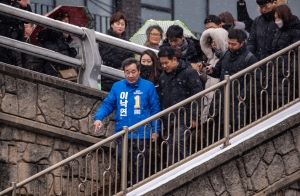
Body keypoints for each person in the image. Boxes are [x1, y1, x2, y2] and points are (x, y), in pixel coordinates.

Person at [94, 58, 160, 186]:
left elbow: (155, 110)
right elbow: (108, 104)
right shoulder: (117, 86)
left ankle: (138, 187)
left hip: (142, 133)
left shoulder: (148, 86)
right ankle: (127, 182)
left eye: (133, 72)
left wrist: (155, 130)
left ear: (139, 71)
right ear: (123, 72)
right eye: (127, 72)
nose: (130, 75)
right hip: (122, 132)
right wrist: (98, 118)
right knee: (119, 158)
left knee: (140, 164)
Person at [157, 46, 203, 167]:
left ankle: (184, 169)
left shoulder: (189, 73)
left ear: (174, 60)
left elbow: (197, 95)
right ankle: (175, 170)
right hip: (169, 120)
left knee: (178, 143)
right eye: (162, 64)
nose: (164, 66)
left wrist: (194, 116)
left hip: (184, 117)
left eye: (166, 63)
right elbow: (162, 98)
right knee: (170, 147)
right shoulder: (162, 77)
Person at [206, 29, 258, 136]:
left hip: (236, 101)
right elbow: (218, 71)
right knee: (216, 130)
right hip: (221, 99)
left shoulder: (250, 58)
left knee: (235, 131)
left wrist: (243, 94)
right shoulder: (226, 54)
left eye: (233, 44)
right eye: (229, 43)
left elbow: (254, 81)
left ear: (242, 43)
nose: (230, 46)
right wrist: (210, 70)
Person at [269, 4, 300, 106]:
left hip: (286, 71)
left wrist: (289, 69)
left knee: (284, 98)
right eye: (275, 18)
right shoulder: (279, 31)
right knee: (275, 99)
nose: (276, 21)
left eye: (278, 18)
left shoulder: (295, 31)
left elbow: (295, 53)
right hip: (277, 69)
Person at [98, 12, 134, 91]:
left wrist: (124, 66)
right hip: (108, 76)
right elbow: (106, 57)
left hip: (124, 77)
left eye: (122, 24)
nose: (120, 26)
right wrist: (122, 62)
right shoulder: (104, 39)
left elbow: (131, 59)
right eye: (118, 24)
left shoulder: (128, 43)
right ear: (111, 25)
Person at [199, 28, 228, 123]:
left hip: (217, 96)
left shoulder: (227, 58)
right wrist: (202, 70)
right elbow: (207, 78)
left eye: (216, 41)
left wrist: (222, 56)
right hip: (208, 95)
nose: (213, 44)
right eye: (211, 42)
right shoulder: (210, 59)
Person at [37, 12, 77, 77]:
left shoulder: (62, 39)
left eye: (68, 22)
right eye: (65, 21)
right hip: (53, 72)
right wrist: (70, 53)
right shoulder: (51, 36)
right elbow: (55, 55)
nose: (67, 24)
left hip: (60, 72)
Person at [0, 0, 32, 65]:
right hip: (5, 44)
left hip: (15, 46)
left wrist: (25, 7)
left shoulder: (17, 4)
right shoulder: (3, 4)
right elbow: (10, 18)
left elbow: (28, 20)